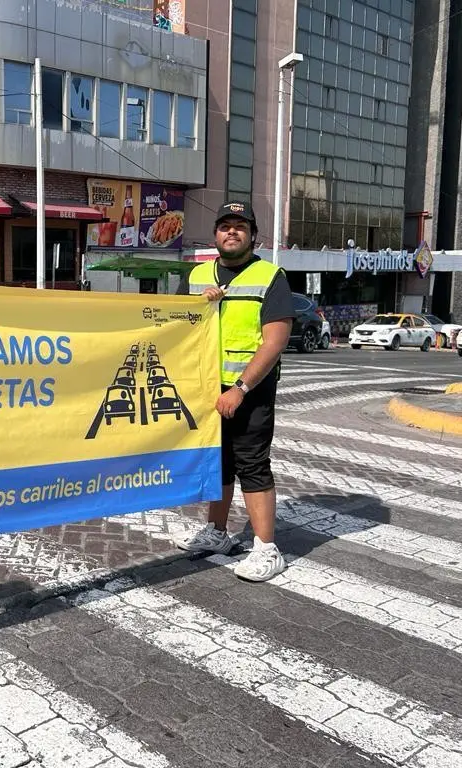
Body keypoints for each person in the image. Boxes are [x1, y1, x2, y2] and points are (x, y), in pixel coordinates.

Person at [177, 202, 295, 582]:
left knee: (252, 465)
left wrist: (241, 388)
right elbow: (174, 324)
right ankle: (218, 533)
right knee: (219, 463)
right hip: (207, 390)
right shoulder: (196, 276)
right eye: (225, 226)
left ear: (252, 235)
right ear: (215, 234)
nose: (232, 232)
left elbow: (275, 341)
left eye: (240, 227)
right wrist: (199, 304)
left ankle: (267, 548)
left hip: (250, 390)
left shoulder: (269, 275)